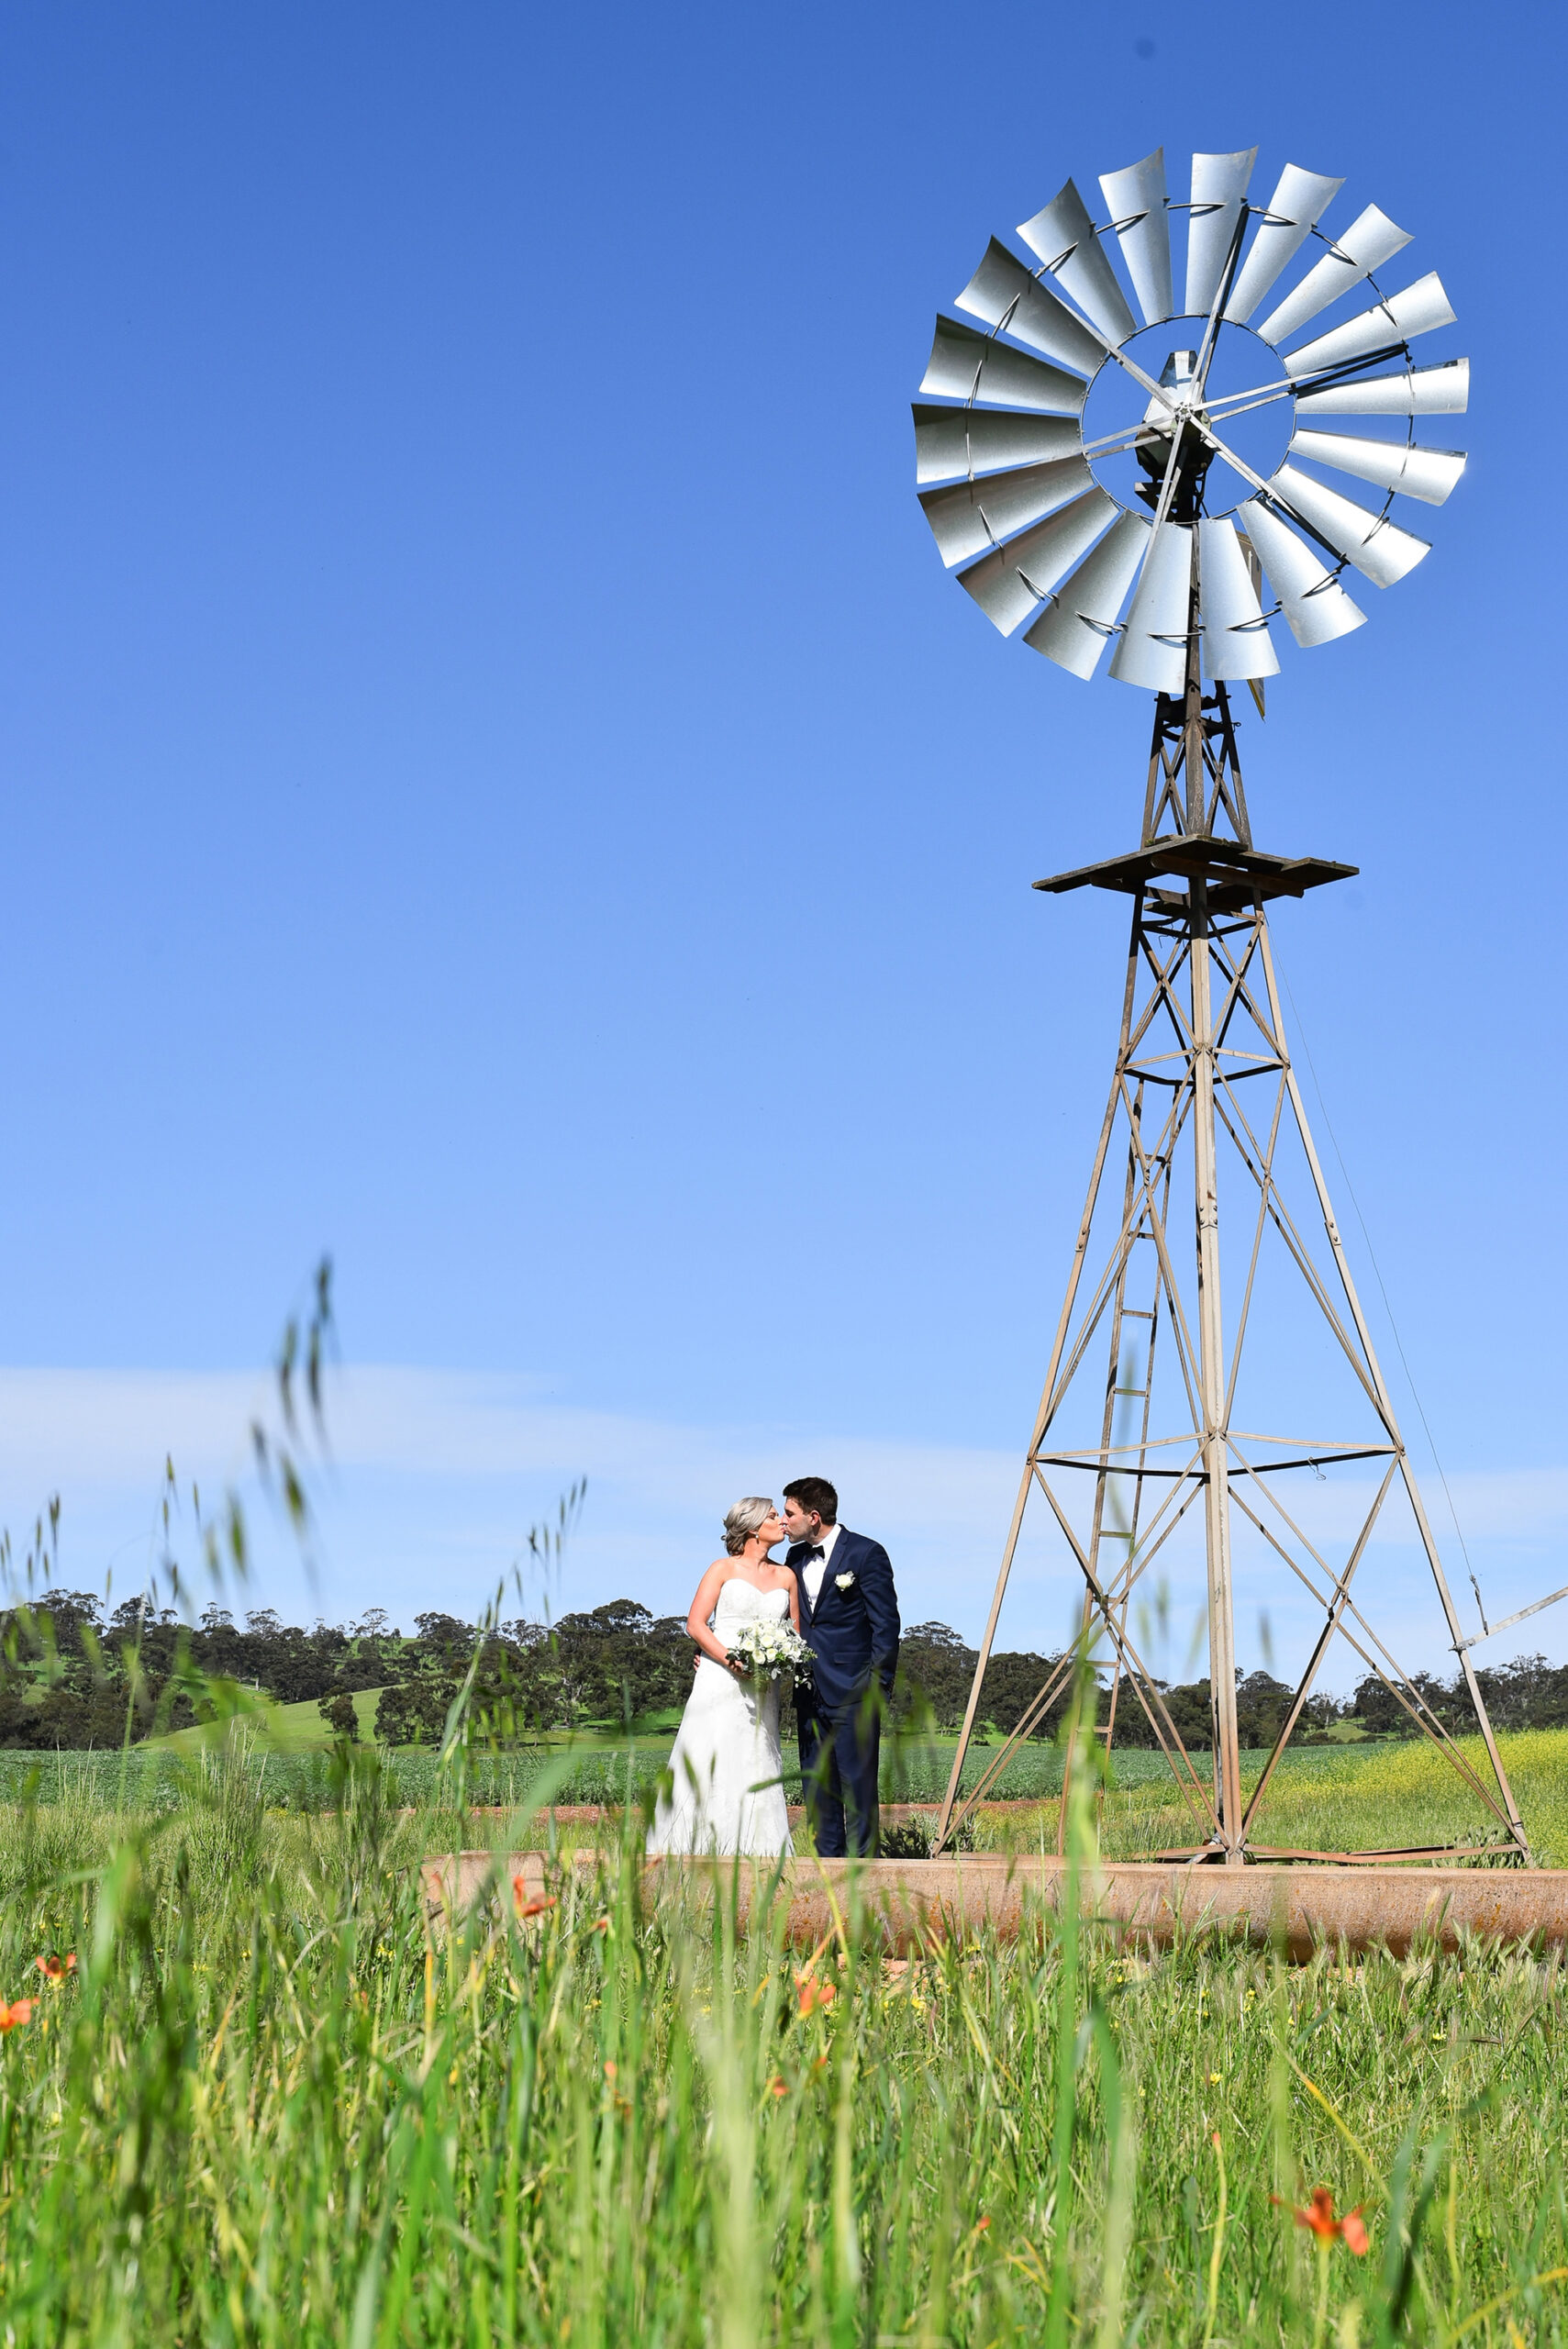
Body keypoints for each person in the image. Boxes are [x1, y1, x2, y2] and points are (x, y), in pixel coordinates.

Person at [645, 1497, 797, 1857]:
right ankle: (692, 1847)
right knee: (710, 1750)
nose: (782, 1522)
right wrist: (730, 1661)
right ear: (753, 1528)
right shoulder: (721, 1570)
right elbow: (695, 1624)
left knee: (755, 1756)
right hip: (720, 1677)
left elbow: (794, 1635)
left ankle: (757, 1851)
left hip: (762, 1685)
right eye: (774, 1516)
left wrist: (779, 1660)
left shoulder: (786, 1576)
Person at [784, 1476, 899, 1857]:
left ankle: (862, 1880)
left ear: (813, 1517)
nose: (784, 1522)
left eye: (790, 1514)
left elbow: (886, 1627)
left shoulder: (867, 1554)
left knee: (857, 1789)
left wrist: (876, 1691)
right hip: (808, 1693)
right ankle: (825, 1880)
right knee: (817, 1790)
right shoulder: (794, 1558)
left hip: (855, 1692)